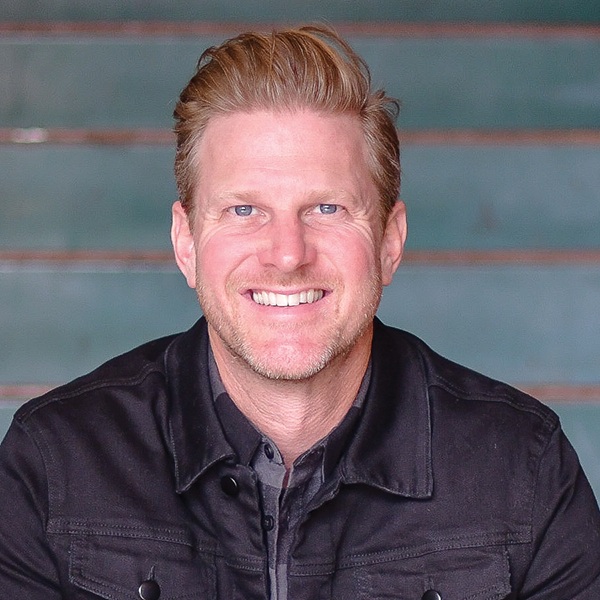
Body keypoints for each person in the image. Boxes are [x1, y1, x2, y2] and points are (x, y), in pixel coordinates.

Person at [0, 25, 599, 600]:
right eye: (244, 210)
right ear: (186, 244)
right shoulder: (55, 462)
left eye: (327, 208)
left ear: (389, 243)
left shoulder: (522, 469)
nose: (288, 255)